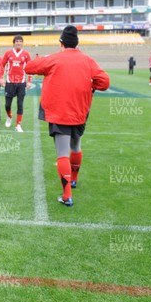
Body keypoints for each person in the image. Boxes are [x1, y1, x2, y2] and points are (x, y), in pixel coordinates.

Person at [25, 25, 109, 206]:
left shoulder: (54, 58)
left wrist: (45, 58)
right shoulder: (88, 60)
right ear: (77, 43)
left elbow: (29, 67)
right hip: (80, 111)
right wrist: (91, 86)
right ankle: (74, 179)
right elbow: (105, 82)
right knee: (76, 146)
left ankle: (67, 195)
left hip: (59, 112)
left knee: (62, 153)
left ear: (61, 43)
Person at [1, 35, 32, 132]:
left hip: (21, 83)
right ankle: (9, 117)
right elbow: (1, 65)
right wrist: (1, 78)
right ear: (14, 42)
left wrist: (29, 81)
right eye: (17, 41)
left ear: (22, 43)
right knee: (7, 104)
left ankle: (18, 125)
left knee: (20, 104)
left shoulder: (26, 54)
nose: (18, 43)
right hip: (10, 82)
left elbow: (30, 68)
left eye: (20, 41)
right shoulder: (8, 53)